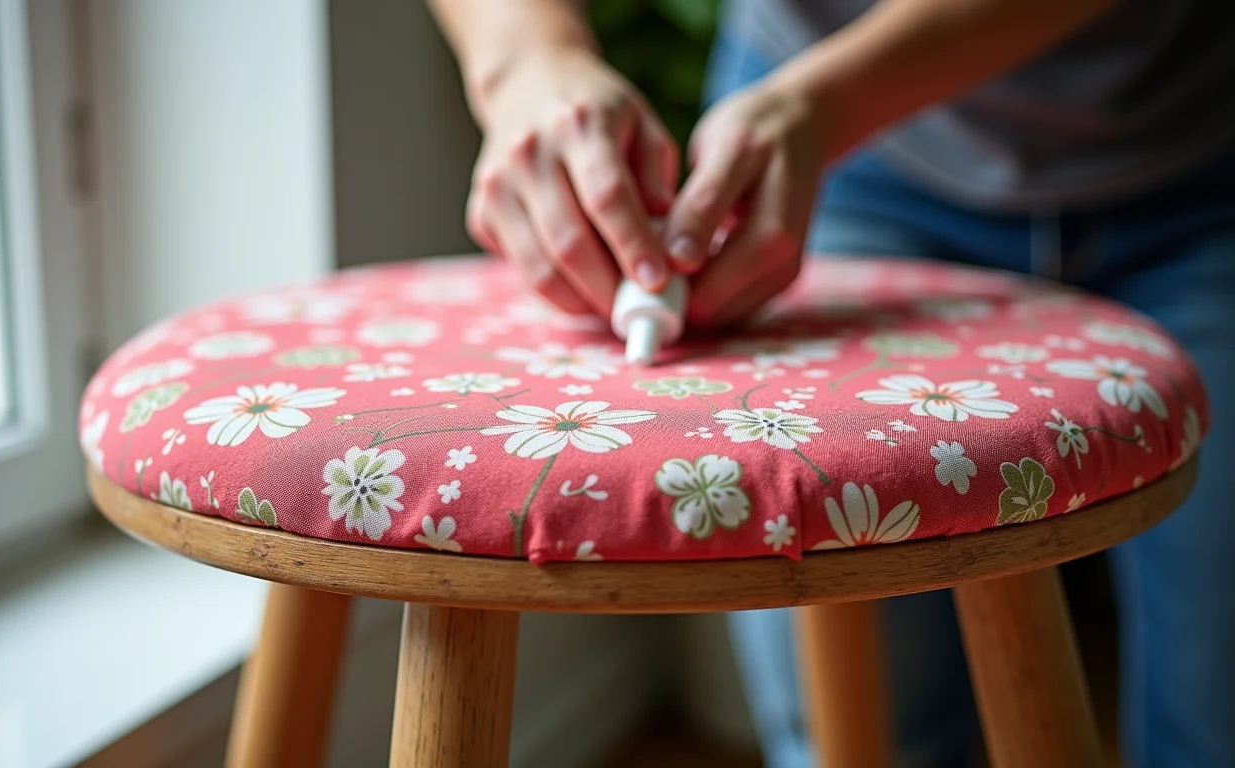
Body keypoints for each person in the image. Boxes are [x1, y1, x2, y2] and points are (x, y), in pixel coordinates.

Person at [424, 1, 1235, 765]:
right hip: (832, 162)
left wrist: (827, 105)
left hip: (1191, 156)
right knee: (861, 735)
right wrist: (527, 63)